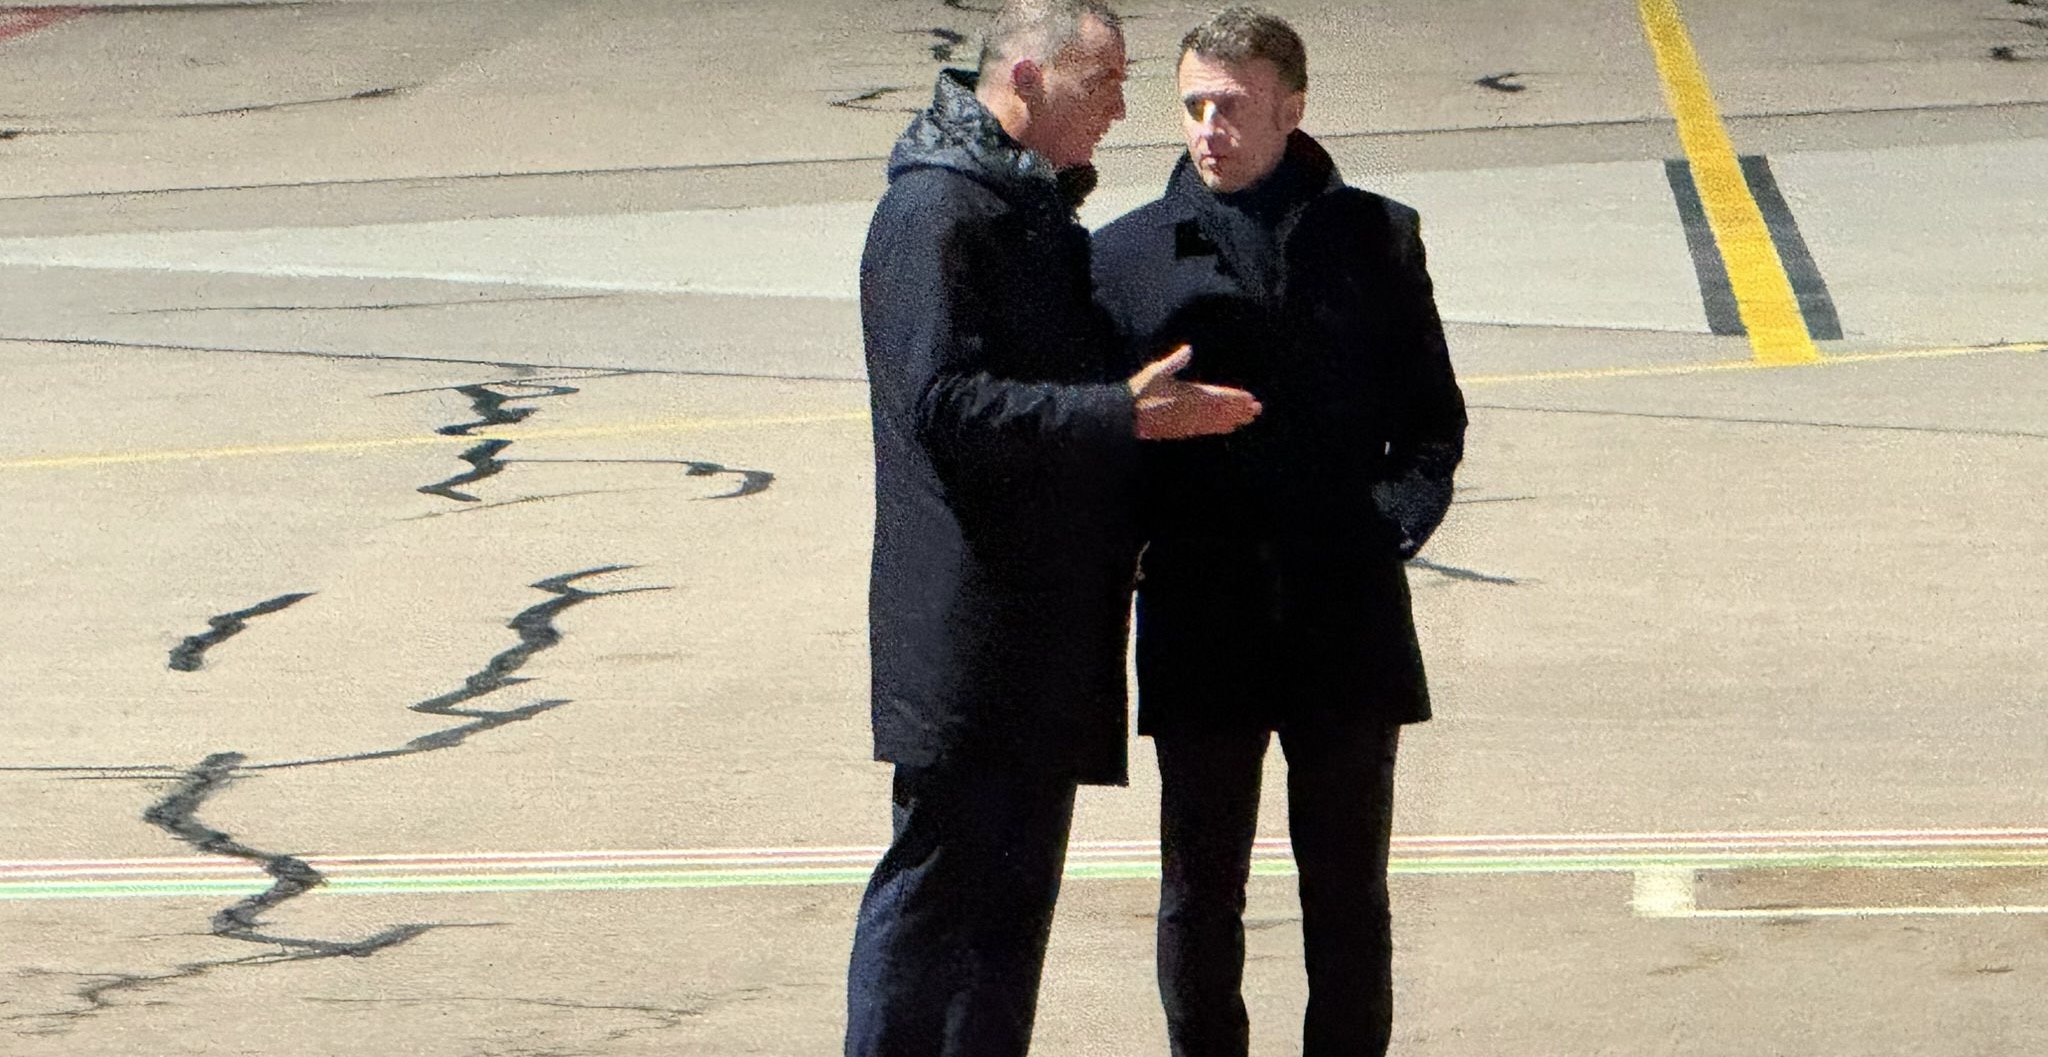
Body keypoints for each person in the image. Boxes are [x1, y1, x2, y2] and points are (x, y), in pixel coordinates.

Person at [846, 2, 1263, 1055]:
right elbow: (938, 404)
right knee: (937, 900)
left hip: (1037, 635)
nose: (1126, 107)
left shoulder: (1027, 213)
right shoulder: (938, 216)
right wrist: (1118, 414)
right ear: (1026, 79)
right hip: (971, 631)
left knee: (1006, 918)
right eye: (1105, 80)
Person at [1089, 8, 1468, 1057]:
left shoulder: (1375, 239)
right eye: (1193, 106)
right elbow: (1099, 440)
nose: (1208, 128)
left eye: (1233, 107)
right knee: (1198, 891)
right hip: (1200, 610)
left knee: (1348, 891)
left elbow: (1432, 422)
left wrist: (1381, 528)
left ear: (1290, 109)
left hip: (1341, 613)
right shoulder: (1121, 260)